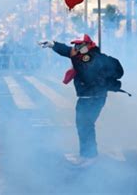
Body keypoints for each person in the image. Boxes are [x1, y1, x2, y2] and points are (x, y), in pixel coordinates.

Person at [39, 34, 126, 167]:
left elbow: (86, 72)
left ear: (88, 46)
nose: (76, 48)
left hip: (94, 98)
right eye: (76, 45)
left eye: (79, 45)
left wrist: (73, 58)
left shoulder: (91, 59)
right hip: (87, 98)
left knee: (86, 126)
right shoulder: (83, 56)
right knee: (83, 126)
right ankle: (85, 155)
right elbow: (68, 51)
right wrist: (53, 44)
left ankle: (91, 156)